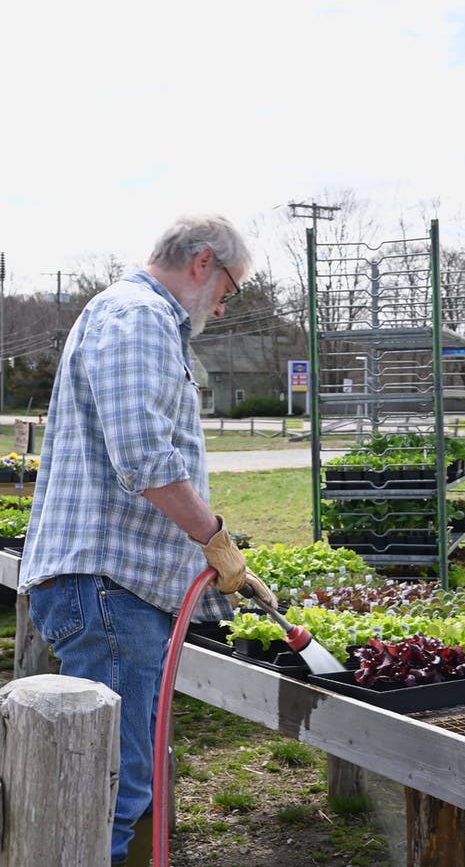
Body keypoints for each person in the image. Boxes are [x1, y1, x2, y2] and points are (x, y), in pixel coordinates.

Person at [19, 214, 277, 866]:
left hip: (116, 591)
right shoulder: (137, 317)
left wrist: (224, 565)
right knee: (111, 786)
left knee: (109, 779)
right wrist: (216, 539)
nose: (224, 303)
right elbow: (144, 458)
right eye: (230, 287)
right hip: (109, 591)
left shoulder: (140, 318)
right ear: (203, 262)